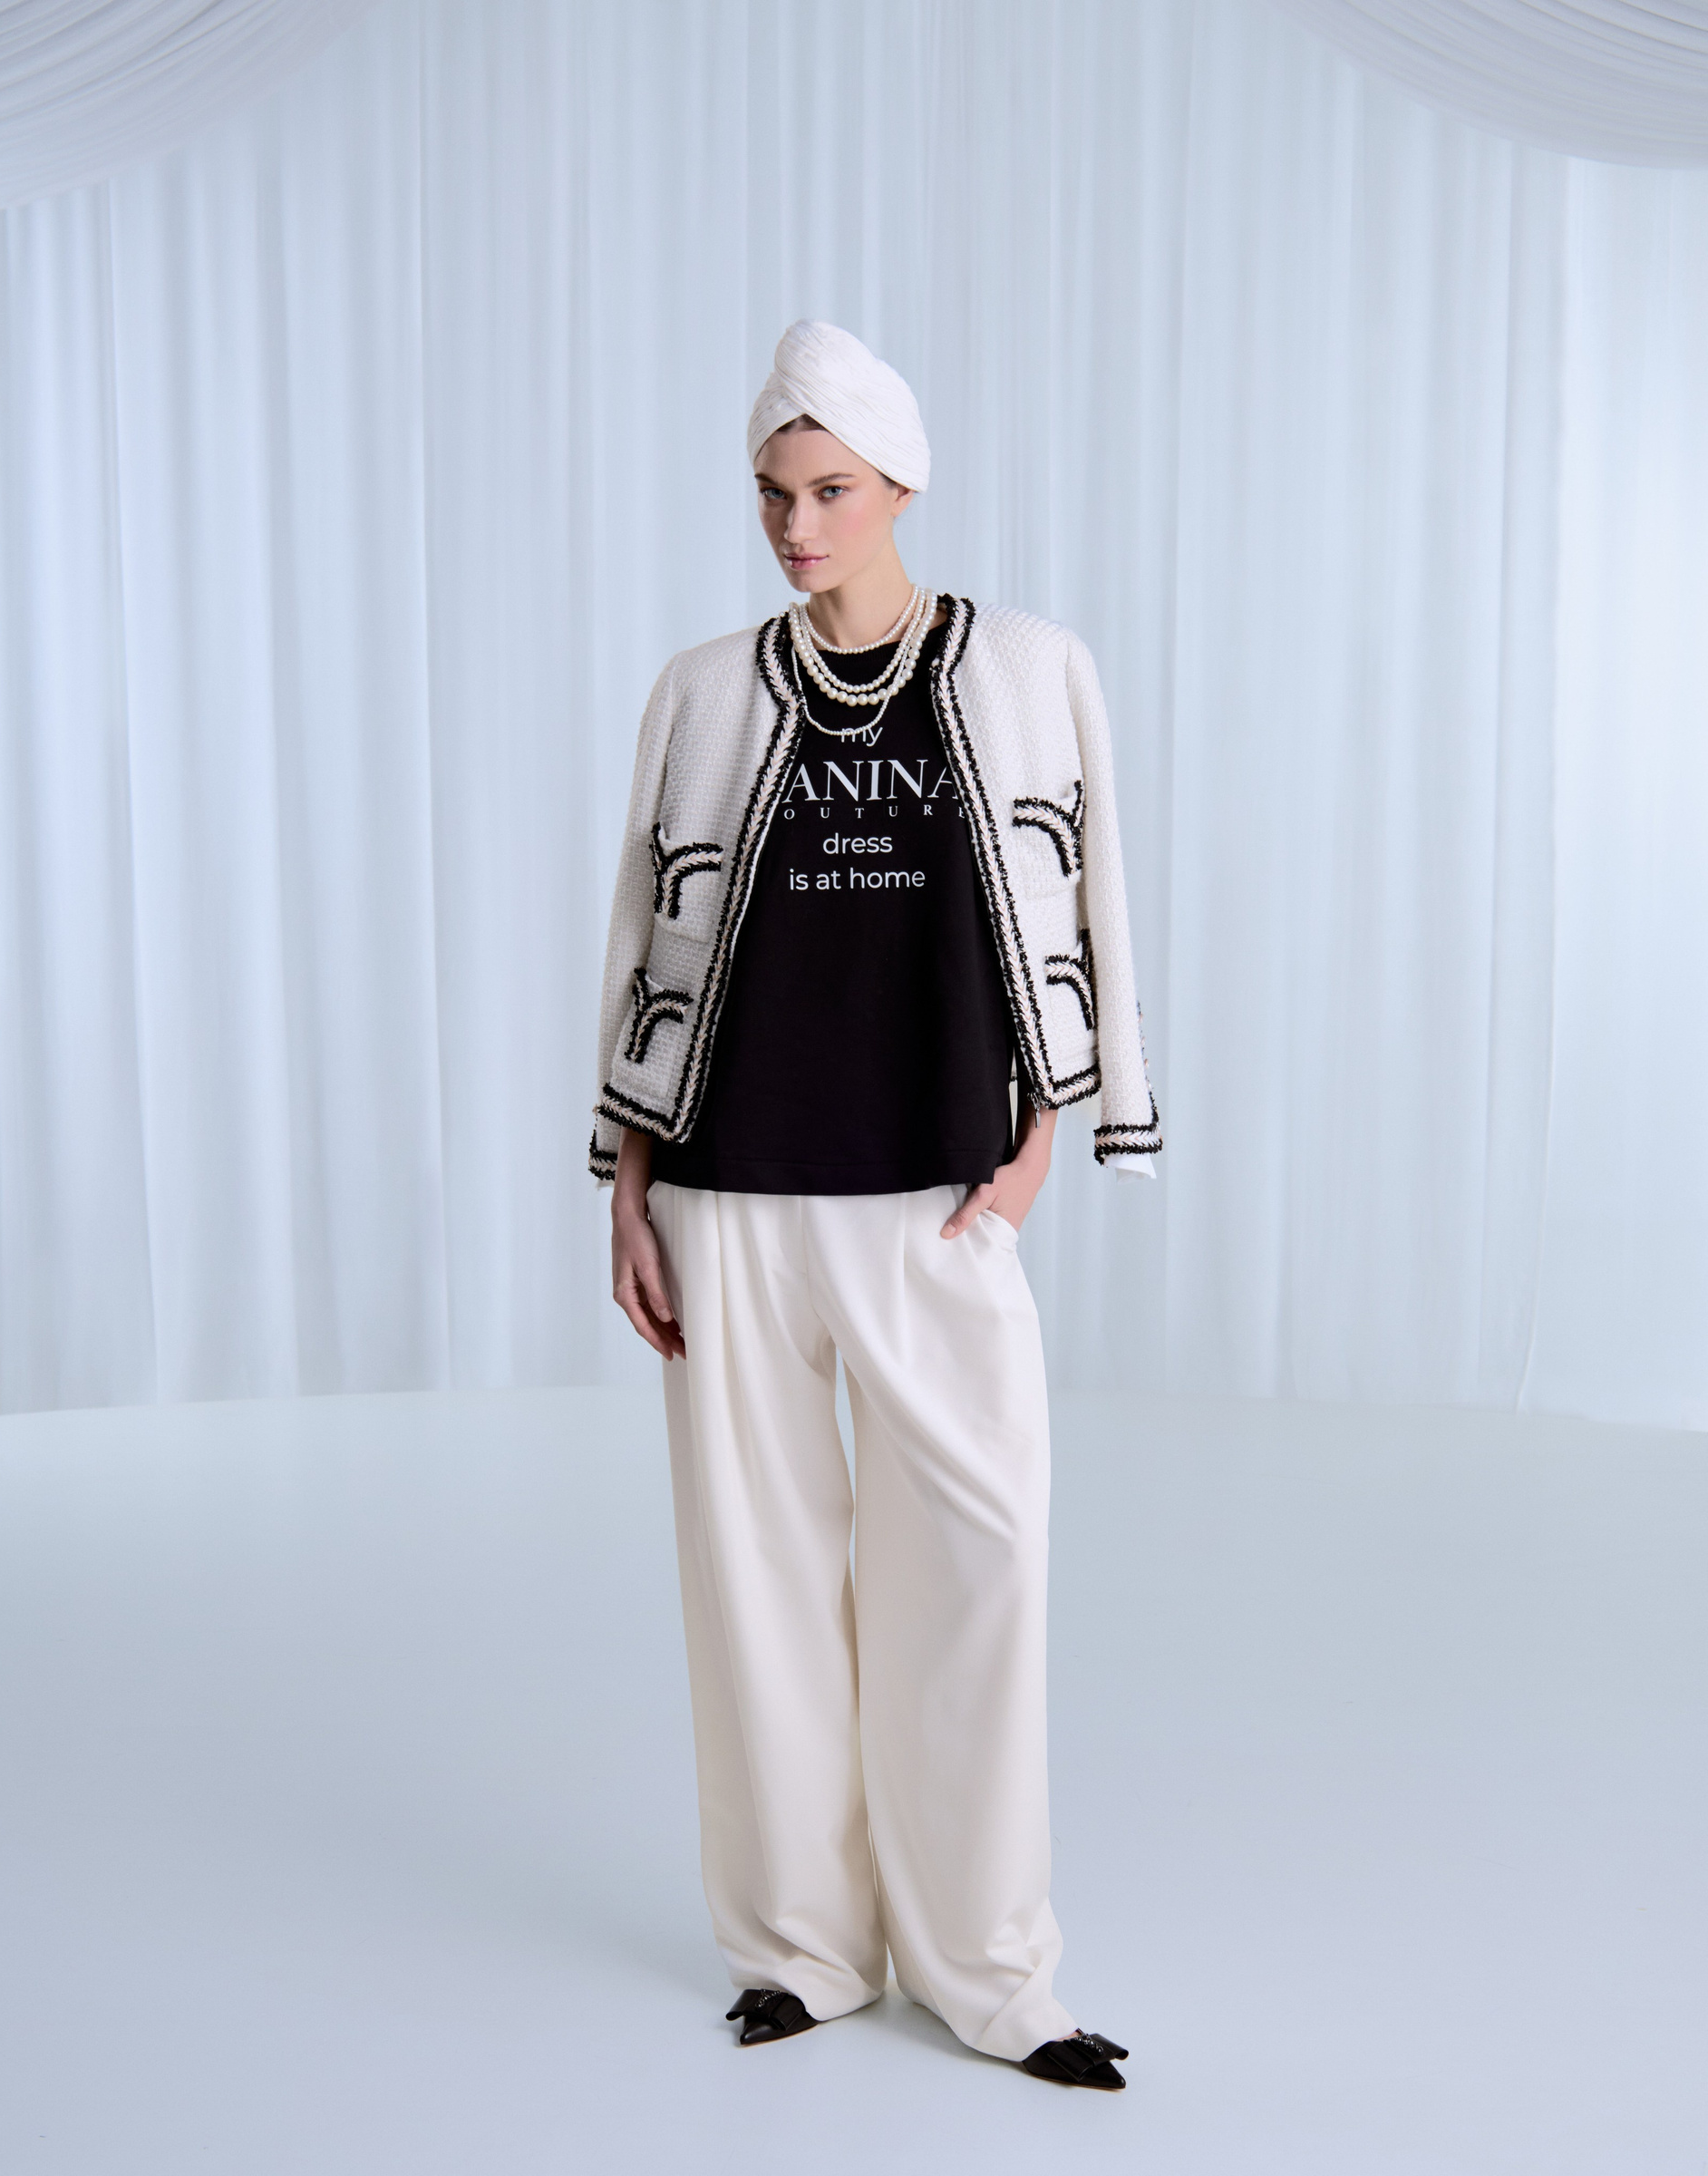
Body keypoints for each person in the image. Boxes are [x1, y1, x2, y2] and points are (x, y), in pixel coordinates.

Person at [590, 319, 1160, 2092]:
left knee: (977, 1568)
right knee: (755, 1583)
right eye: (773, 493)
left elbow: (1087, 901)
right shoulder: (701, 690)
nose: (797, 525)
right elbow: (646, 937)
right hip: (730, 1195)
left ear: (902, 482)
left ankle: (991, 1972)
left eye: (830, 490)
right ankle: (803, 1953)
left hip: (940, 1201)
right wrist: (630, 1182)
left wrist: (1049, 1134)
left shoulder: (1030, 668)